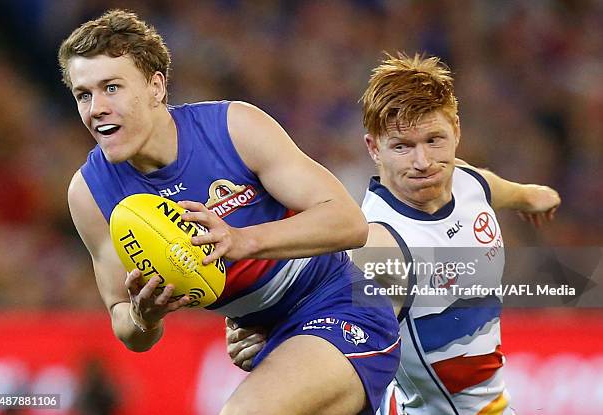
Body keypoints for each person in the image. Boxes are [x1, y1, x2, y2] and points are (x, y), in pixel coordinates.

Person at [60, 9, 401, 415]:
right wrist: (145, 318)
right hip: (265, 338)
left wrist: (243, 240)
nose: (96, 107)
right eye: (84, 94)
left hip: (340, 305)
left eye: (111, 87)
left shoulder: (233, 127)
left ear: (155, 87)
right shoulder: (90, 193)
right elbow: (126, 324)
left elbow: (348, 222)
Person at [226, 52, 561, 415]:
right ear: (373, 147)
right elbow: (327, 317)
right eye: (402, 146)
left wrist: (533, 196)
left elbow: (494, 187)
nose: (423, 163)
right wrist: (270, 338)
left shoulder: (465, 180)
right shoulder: (378, 244)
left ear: (456, 131)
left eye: (434, 140)